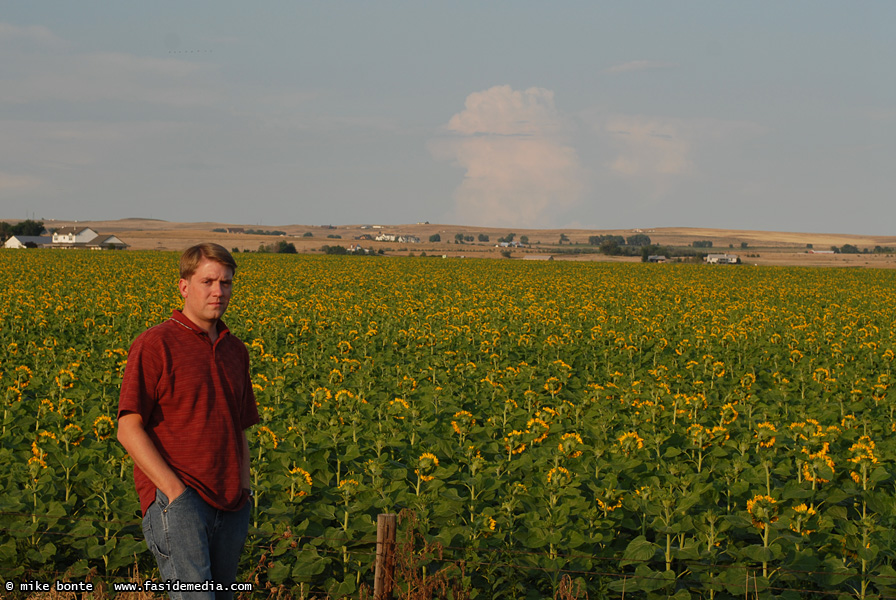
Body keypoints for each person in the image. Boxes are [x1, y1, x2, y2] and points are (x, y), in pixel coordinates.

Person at [117, 243, 258, 599]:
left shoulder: (235, 350)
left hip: (231, 503)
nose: (218, 291)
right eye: (207, 281)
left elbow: (239, 427)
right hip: (181, 500)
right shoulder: (155, 344)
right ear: (184, 286)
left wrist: (245, 491)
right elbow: (128, 427)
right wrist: (174, 493)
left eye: (226, 283)